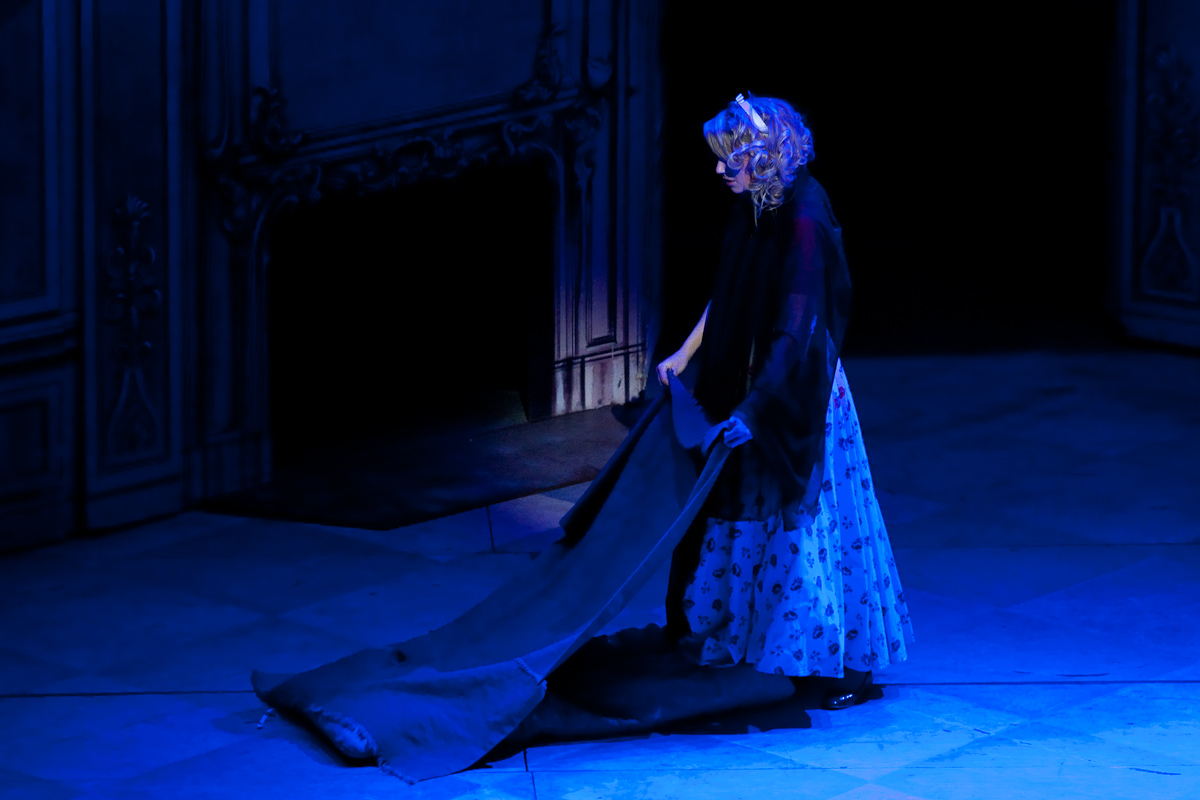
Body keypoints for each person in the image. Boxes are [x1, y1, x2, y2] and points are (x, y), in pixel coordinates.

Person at [656, 93, 913, 709]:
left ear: (764, 155)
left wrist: (756, 409)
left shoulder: (803, 217)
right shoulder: (757, 203)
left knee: (808, 526)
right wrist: (686, 352)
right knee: (757, 523)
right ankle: (762, 642)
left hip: (796, 391)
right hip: (758, 383)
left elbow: (797, 329)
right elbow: (732, 293)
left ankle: (844, 667)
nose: (719, 168)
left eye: (730, 157)